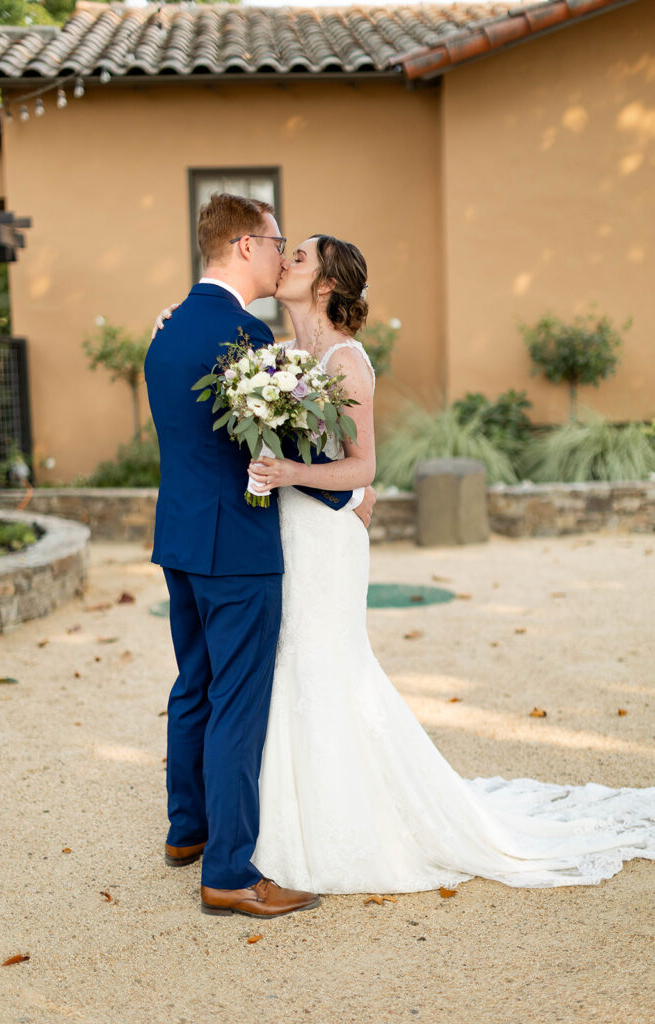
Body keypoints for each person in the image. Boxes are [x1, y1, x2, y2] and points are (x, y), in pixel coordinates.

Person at [154, 223, 654, 897]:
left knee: (321, 669)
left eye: (296, 256)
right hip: (280, 536)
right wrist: (173, 321)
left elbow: (362, 466)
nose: (283, 262)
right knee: (279, 675)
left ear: (324, 283)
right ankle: (269, 824)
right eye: (280, 248)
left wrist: (298, 476)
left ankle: (330, 824)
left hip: (322, 540)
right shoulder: (273, 354)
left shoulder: (345, 361)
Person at [144, 194, 375, 919]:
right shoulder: (245, 339)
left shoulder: (168, 328)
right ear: (245, 246)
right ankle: (231, 872)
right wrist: (344, 495)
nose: (281, 254)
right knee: (239, 703)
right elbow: (287, 444)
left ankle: (188, 831)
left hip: (179, 537)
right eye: (277, 242)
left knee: (194, 686)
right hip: (236, 547)